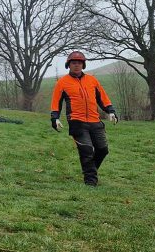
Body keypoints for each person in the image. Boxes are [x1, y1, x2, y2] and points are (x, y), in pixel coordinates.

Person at [49, 51, 118, 186]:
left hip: (95, 120)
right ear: (68, 65)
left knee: (103, 149)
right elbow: (56, 102)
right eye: (73, 63)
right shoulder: (62, 83)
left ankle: (90, 170)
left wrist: (110, 111)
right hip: (77, 122)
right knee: (86, 151)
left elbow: (102, 97)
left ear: (83, 65)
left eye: (79, 63)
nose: (76, 65)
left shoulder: (92, 80)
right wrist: (54, 118)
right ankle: (90, 181)